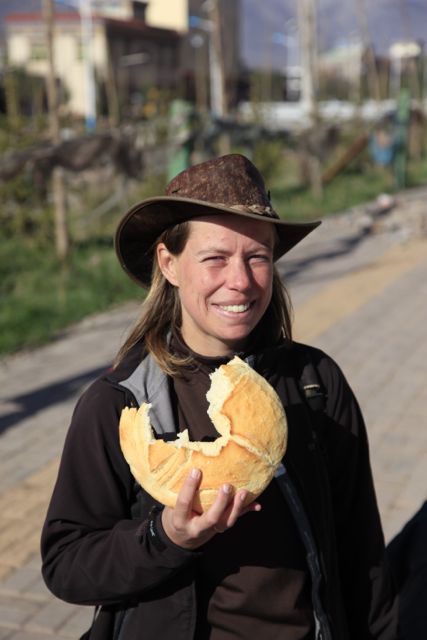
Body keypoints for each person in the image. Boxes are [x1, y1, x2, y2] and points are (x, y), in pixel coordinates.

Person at [41, 154, 398, 640]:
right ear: (169, 263)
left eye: (258, 257)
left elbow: (363, 553)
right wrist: (165, 537)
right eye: (215, 258)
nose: (241, 281)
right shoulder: (122, 404)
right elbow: (66, 563)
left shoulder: (314, 383)